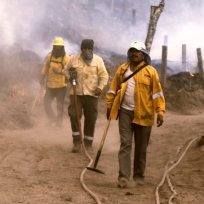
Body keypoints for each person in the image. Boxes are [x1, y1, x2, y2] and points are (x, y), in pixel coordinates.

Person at [106, 41, 164, 188]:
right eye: (132, 51)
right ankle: (123, 177)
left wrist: (160, 111)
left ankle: (138, 176)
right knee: (125, 143)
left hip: (145, 113)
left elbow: (157, 93)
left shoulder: (150, 72)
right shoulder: (122, 70)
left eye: (137, 51)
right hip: (125, 112)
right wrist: (109, 105)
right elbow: (113, 89)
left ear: (143, 54)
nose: (134, 54)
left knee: (141, 147)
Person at [64, 39, 108, 153]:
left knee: (91, 118)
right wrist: (70, 77)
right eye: (84, 49)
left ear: (92, 49)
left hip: (92, 94)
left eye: (89, 49)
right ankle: (77, 142)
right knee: (74, 115)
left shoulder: (98, 60)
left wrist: (100, 88)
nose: (87, 51)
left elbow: (104, 76)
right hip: (76, 93)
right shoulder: (73, 59)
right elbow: (65, 69)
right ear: (81, 49)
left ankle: (88, 143)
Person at [40, 37, 70, 126]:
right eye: (56, 46)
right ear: (53, 47)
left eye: (59, 47)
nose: (58, 48)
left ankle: (59, 123)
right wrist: (42, 76)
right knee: (46, 103)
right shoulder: (49, 56)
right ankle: (52, 119)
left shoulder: (66, 58)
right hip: (50, 85)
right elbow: (46, 67)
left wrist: (59, 71)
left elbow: (69, 72)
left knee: (60, 106)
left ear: (62, 47)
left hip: (61, 86)